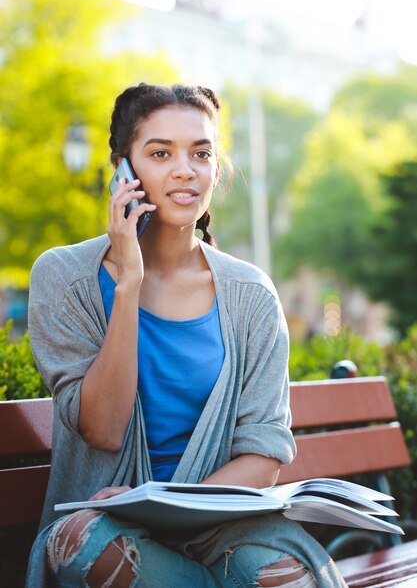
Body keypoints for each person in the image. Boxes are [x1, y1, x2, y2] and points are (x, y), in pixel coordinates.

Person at [26, 83, 347, 587]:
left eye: (201, 153)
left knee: (286, 577)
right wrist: (128, 283)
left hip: (221, 524)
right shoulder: (63, 278)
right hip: (111, 524)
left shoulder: (251, 294)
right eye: (160, 153)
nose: (185, 170)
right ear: (122, 170)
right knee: (81, 544)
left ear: (216, 168)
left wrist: (168, 507)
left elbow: (263, 457)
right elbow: (104, 430)